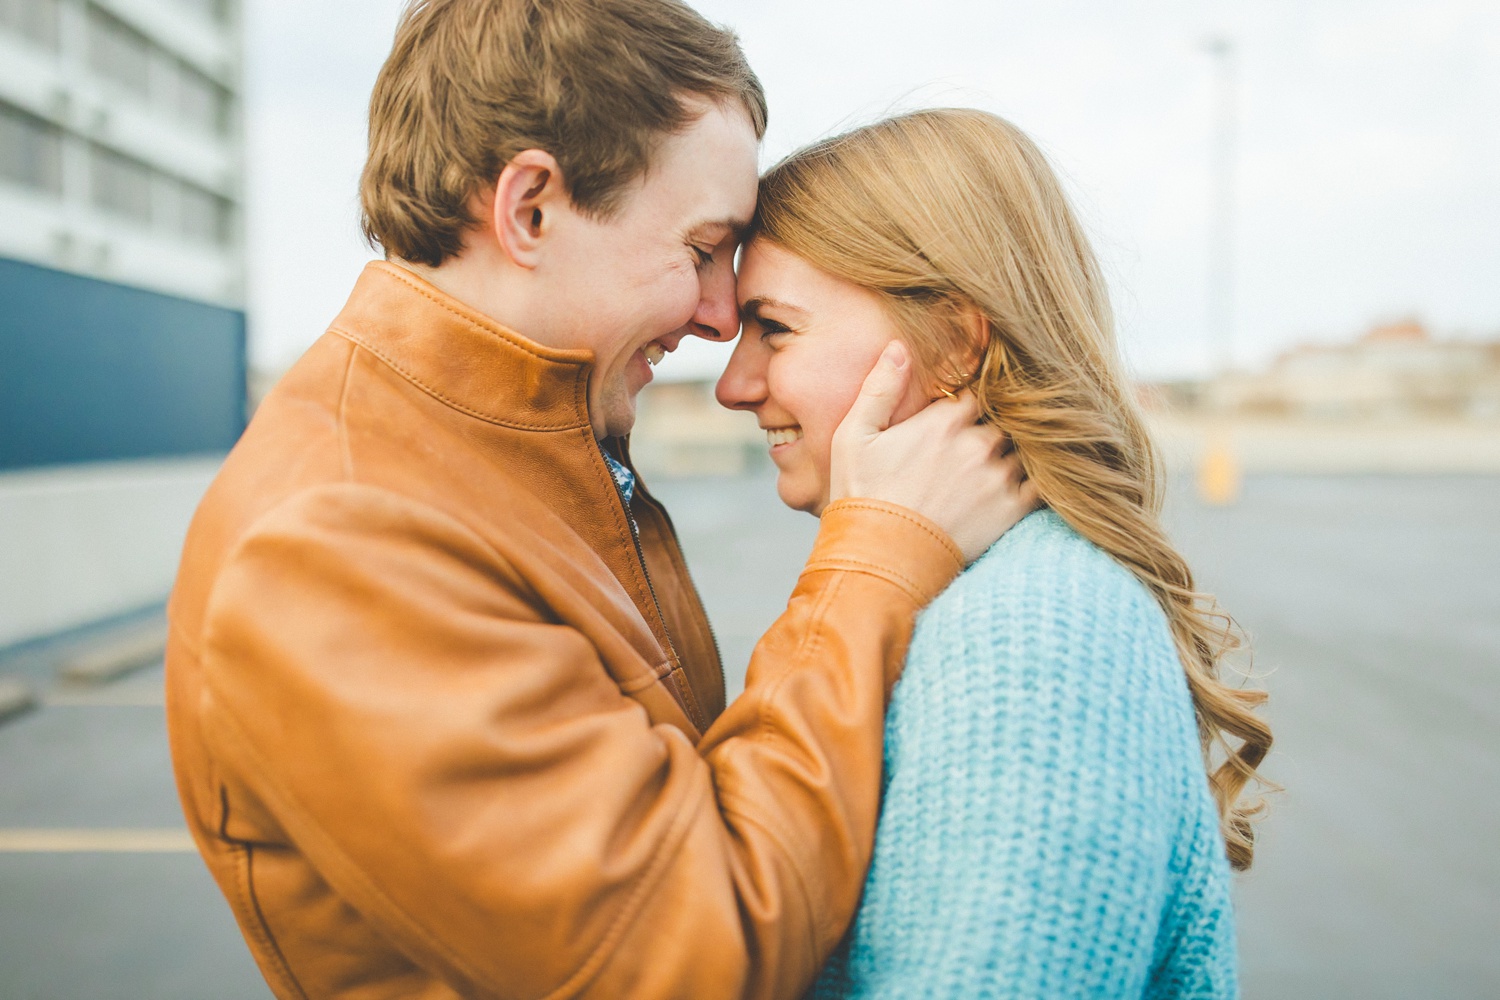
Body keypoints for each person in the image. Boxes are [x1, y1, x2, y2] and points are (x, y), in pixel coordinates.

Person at [164, 4, 1035, 999]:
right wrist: (877, 559)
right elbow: (688, 956)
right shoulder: (337, 534)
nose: (718, 316)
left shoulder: (514, 439)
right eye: (703, 247)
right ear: (529, 207)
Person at [715, 108, 1275, 998]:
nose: (733, 384)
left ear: (957, 340)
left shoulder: (1035, 636)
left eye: (775, 328)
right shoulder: (967, 588)